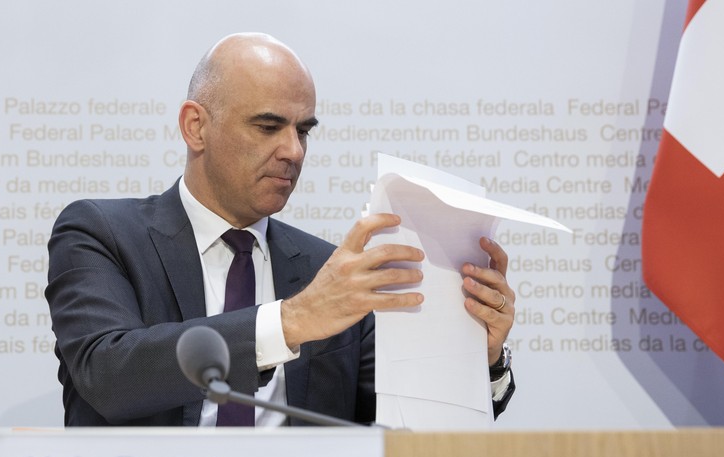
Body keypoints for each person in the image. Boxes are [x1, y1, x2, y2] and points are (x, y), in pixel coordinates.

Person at [46, 33, 516, 427]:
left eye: (303, 130)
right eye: (268, 126)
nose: (293, 151)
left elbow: (405, 428)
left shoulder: (329, 272)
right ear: (195, 127)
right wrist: (289, 322)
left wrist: (478, 359)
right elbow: (108, 374)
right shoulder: (101, 233)